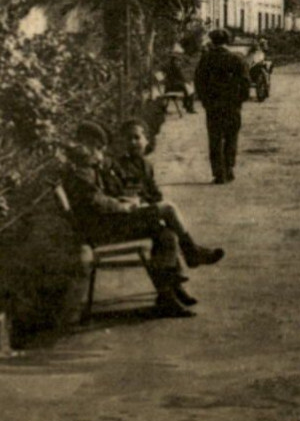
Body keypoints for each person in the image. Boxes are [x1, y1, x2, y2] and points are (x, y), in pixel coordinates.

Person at [61, 121, 222, 318]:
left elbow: (101, 198)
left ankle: (168, 294)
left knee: (166, 233)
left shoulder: (86, 168)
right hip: (103, 229)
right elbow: (96, 202)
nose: (101, 154)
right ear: (86, 145)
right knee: (167, 209)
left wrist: (123, 201)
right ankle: (191, 253)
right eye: (98, 149)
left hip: (107, 223)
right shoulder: (81, 172)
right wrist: (125, 206)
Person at [194, 28, 250, 184]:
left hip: (213, 105)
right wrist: (240, 100)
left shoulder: (206, 59)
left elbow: (199, 82)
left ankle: (219, 173)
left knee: (215, 138)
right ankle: (229, 169)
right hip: (232, 105)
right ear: (228, 41)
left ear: (212, 41)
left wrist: (205, 101)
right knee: (231, 136)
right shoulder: (237, 59)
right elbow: (245, 82)